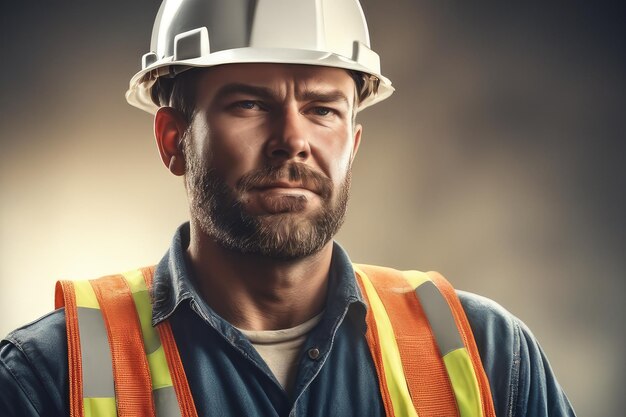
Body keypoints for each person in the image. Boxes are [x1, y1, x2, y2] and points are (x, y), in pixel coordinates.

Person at [0, 1, 576, 416]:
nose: (292, 139)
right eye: (250, 103)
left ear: (351, 146)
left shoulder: (489, 358)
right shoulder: (49, 378)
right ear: (174, 140)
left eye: (323, 109)